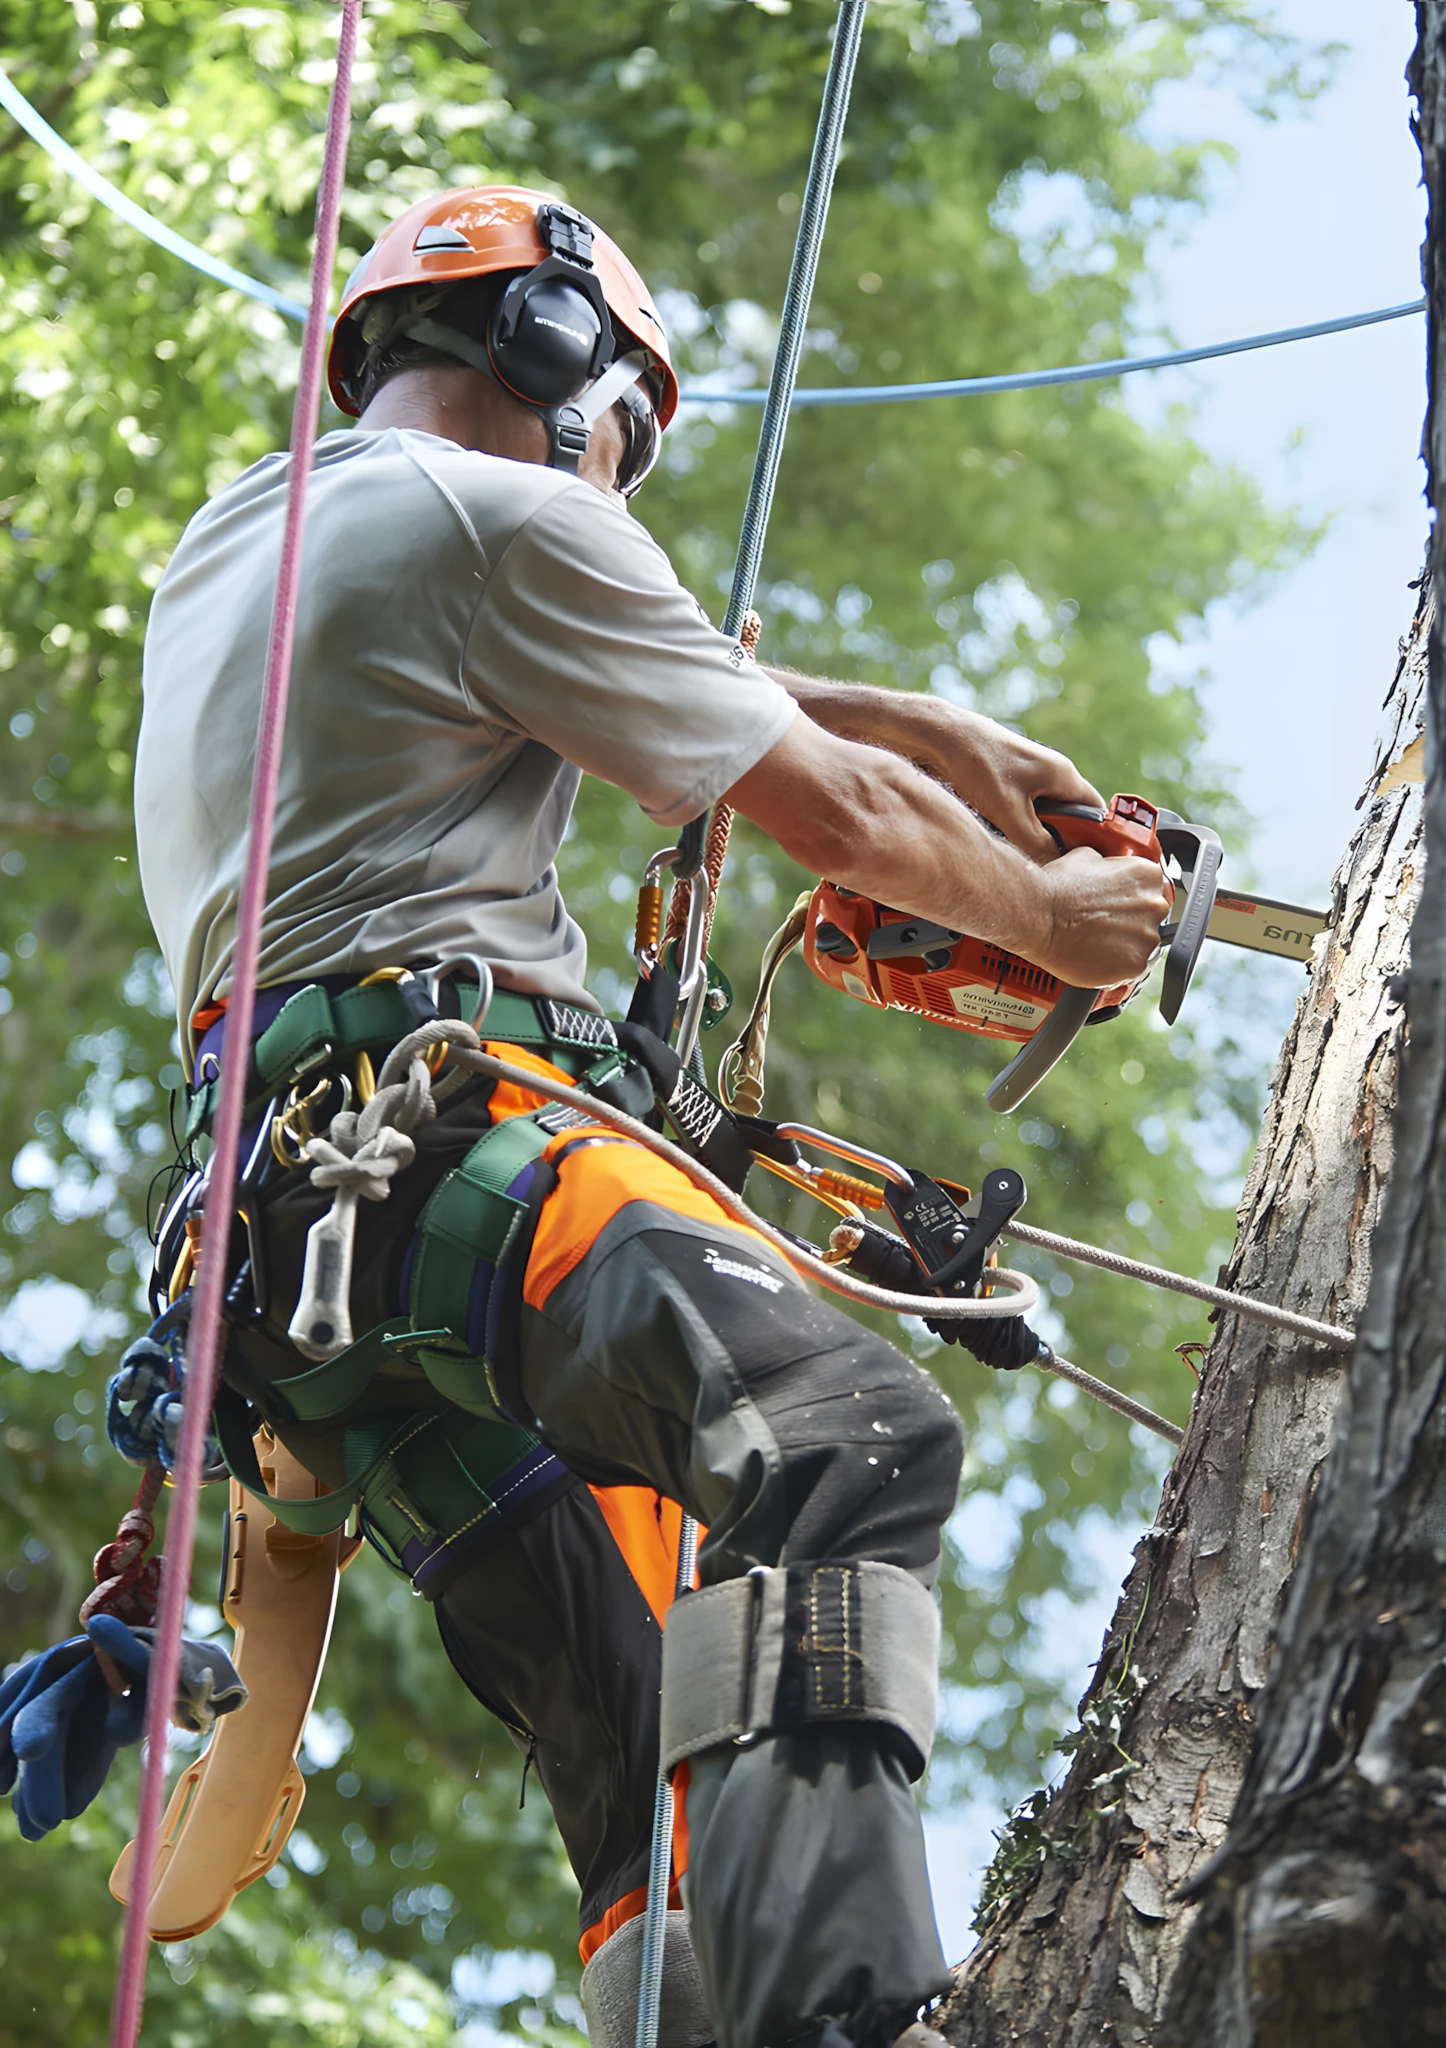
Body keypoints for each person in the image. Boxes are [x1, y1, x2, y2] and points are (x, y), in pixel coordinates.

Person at [128, 187, 1169, 2048]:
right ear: (558, 358)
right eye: (626, 433)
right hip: (453, 1153)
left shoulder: (250, 539)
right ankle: (844, 2018)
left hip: (298, 1278)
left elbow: (636, 676)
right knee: (841, 1441)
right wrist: (1057, 918)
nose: (622, 484)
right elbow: (834, 820)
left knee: (648, 1773)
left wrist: (929, 727)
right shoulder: (509, 518)